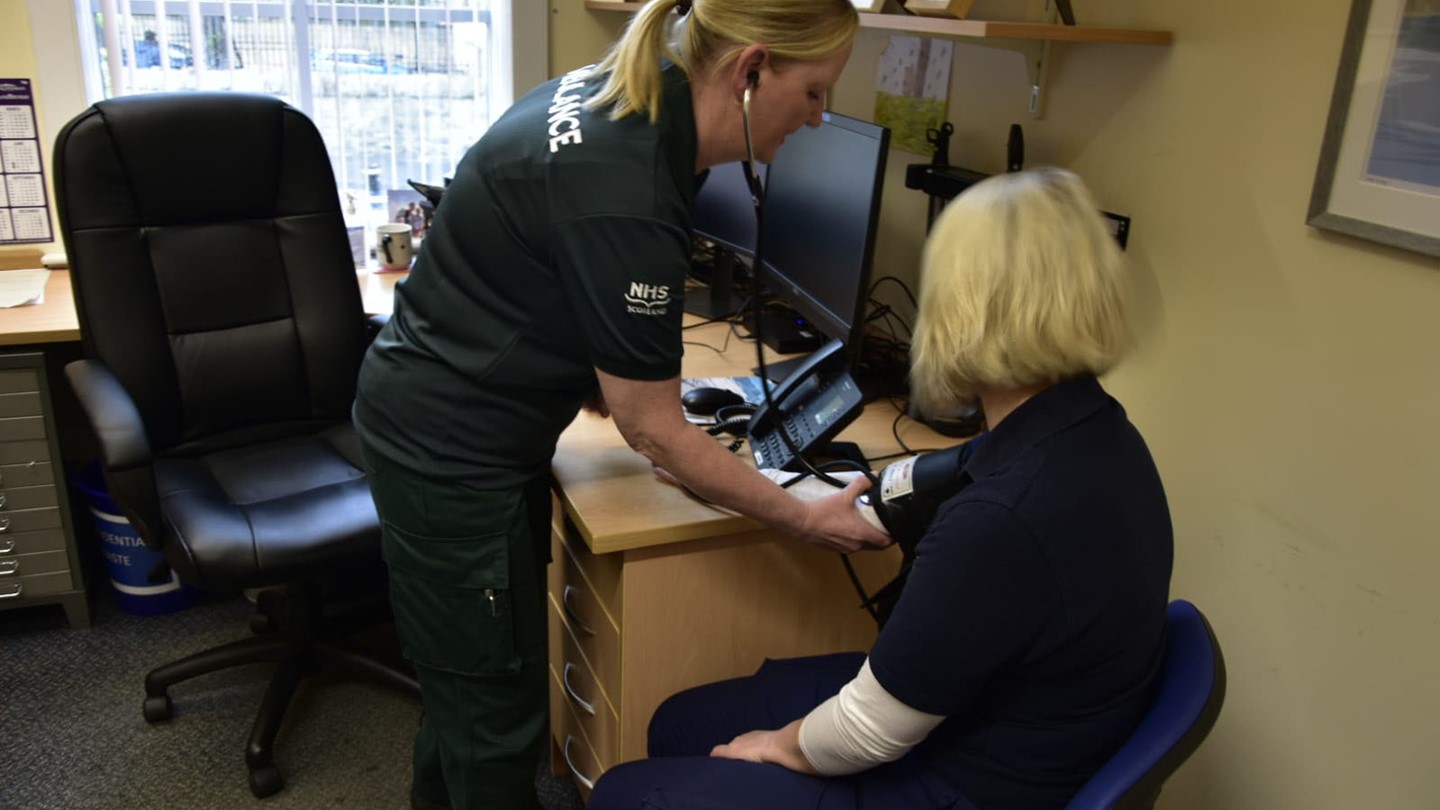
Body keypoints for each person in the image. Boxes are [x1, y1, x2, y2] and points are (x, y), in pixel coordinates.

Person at [351, 1, 890, 808]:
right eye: (814, 92)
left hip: (452, 419)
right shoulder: (630, 176)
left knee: (467, 692)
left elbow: (560, 285)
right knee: (493, 720)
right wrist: (800, 517)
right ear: (749, 71)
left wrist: (676, 441)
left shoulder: (627, 94)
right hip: (451, 452)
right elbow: (649, 425)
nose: (817, 119)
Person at [586, 167, 1175, 810]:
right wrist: (736, 481)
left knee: (626, 794)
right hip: (986, 720)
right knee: (680, 723)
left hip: (958, 780)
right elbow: (905, 489)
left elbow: (867, 731)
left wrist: (771, 748)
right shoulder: (1087, 431)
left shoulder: (1000, 519)